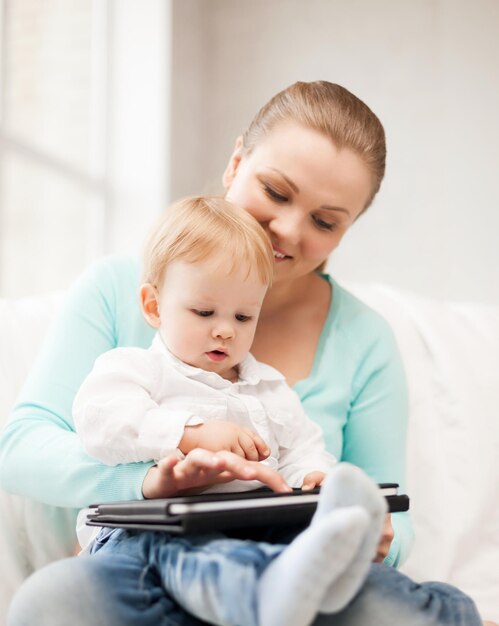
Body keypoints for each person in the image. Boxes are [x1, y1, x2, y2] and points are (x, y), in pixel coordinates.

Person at [1, 81, 483, 625]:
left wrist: (368, 528)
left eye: (325, 221)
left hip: (292, 562)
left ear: (348, 229)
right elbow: (23, 447)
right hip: (155, 552)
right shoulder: (121, 288)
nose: (286, 230)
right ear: (236, 163)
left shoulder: (363, 340)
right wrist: (147, 483)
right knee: (56, 605)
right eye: (276, 192)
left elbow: (383, 500)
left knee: (383, 606)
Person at [71, 195, 387, 626]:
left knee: (302, 541)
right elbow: (99, 420)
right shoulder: (139, 370)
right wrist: (189, 433)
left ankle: (433, 603)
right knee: (185, 551)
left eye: (243, 316)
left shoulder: (269, 387)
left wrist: (312, 475)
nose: (225, 329)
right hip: (147, 531)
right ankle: (262, 595)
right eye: (204, 312)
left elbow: (302, 448)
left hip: (246, 527)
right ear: (153, 305)